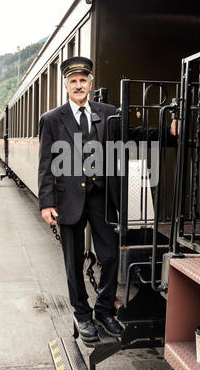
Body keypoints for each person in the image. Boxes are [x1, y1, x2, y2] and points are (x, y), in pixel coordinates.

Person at [38, 56, 178, 342]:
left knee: (111, 256)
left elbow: (135, 134)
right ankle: (82, 314)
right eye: (73, 81)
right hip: (67, 201)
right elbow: (46, 163)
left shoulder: (109, 112)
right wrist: (46, 202)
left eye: (83, 81)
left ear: (91, 84)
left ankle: (103, 310)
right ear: (66, 86)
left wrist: (168, 132)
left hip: (102, 199)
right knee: (73, 261)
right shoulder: (52, 119)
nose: (78, 86)